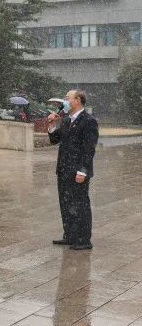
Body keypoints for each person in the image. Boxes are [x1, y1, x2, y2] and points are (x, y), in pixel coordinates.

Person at [47, 90, 99, 250]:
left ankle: (83, 240)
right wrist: (52, 125)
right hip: (63, 169)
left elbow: (89, 149)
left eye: (67, 98)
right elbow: (55, 140)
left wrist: (82, 171)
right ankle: (70, 235)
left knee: (80, 204)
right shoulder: (66, 119)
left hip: (78, 171)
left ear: (77, 100)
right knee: (66, 204)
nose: (65, 101)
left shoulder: (88, 121)